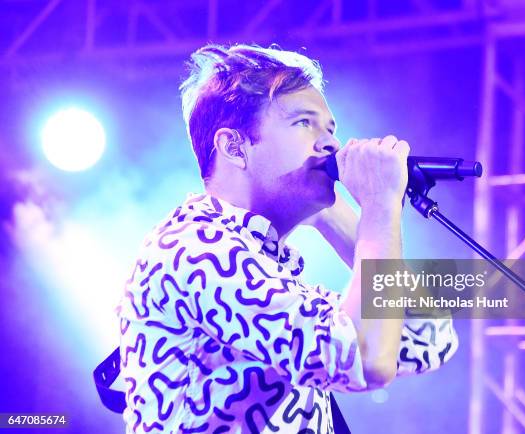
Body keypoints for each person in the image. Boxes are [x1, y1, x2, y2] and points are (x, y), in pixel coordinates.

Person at [116, 43, 459, 434]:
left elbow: (428, 334)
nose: (332, 144)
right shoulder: (192, 249)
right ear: (234, 146)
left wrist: (330, 213)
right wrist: (379, 207)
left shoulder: (271, 273)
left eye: (331, 129)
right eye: (303, 123)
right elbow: (367, 358)